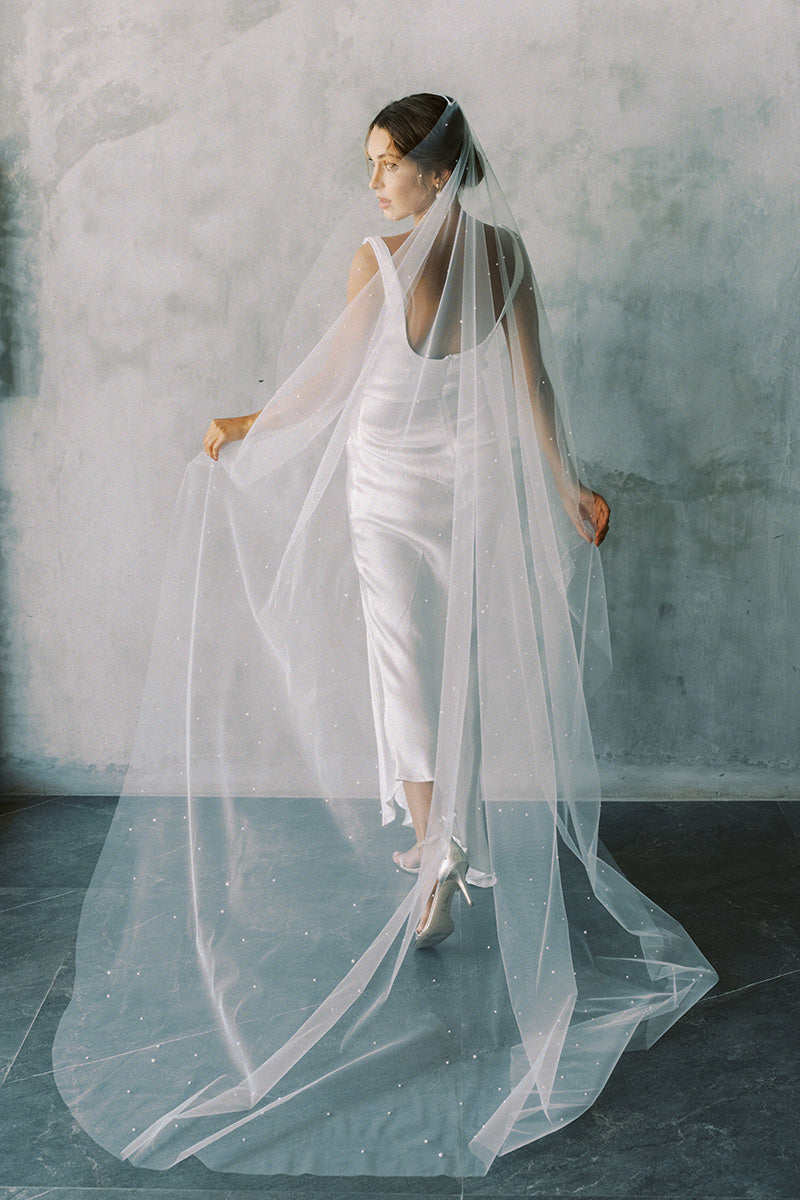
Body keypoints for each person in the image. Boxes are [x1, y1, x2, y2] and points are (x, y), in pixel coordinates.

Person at [53, 95, 716, 1179]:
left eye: (383, 165)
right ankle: (440, 840)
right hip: (450, 490)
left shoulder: (383, 259)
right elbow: (526, 384)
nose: (372, 185)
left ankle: (436, 849)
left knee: (411, 666)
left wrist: (248, 424)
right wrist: (562, 486)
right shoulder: (501, 255)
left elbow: (336, 381)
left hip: (406, 486)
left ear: (428, 168)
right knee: (434, 663)